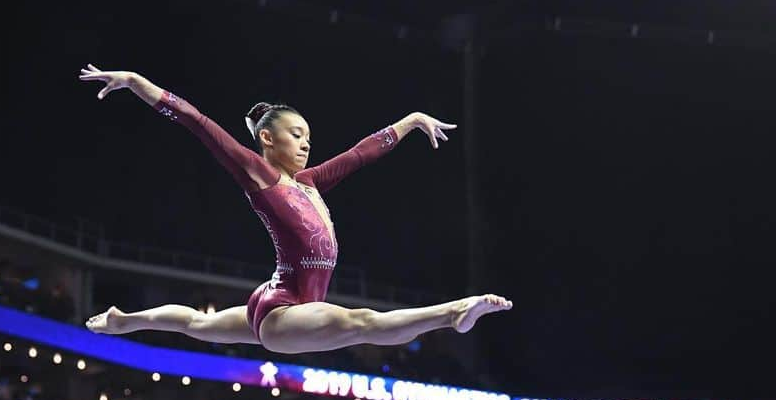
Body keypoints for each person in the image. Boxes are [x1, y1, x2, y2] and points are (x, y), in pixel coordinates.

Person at [79, 65, 511, 354]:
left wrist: (412, 120)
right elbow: (199, 123)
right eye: (296, 134)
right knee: (361, 322)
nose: (306, 143)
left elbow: (361, 154)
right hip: (281, 312)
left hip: (279, 299)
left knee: (196, 323)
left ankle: (124, 321)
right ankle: (453, 313)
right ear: (268, 139)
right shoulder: (259, 175)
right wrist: (136, 81)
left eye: (308, 136)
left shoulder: (310, 184)